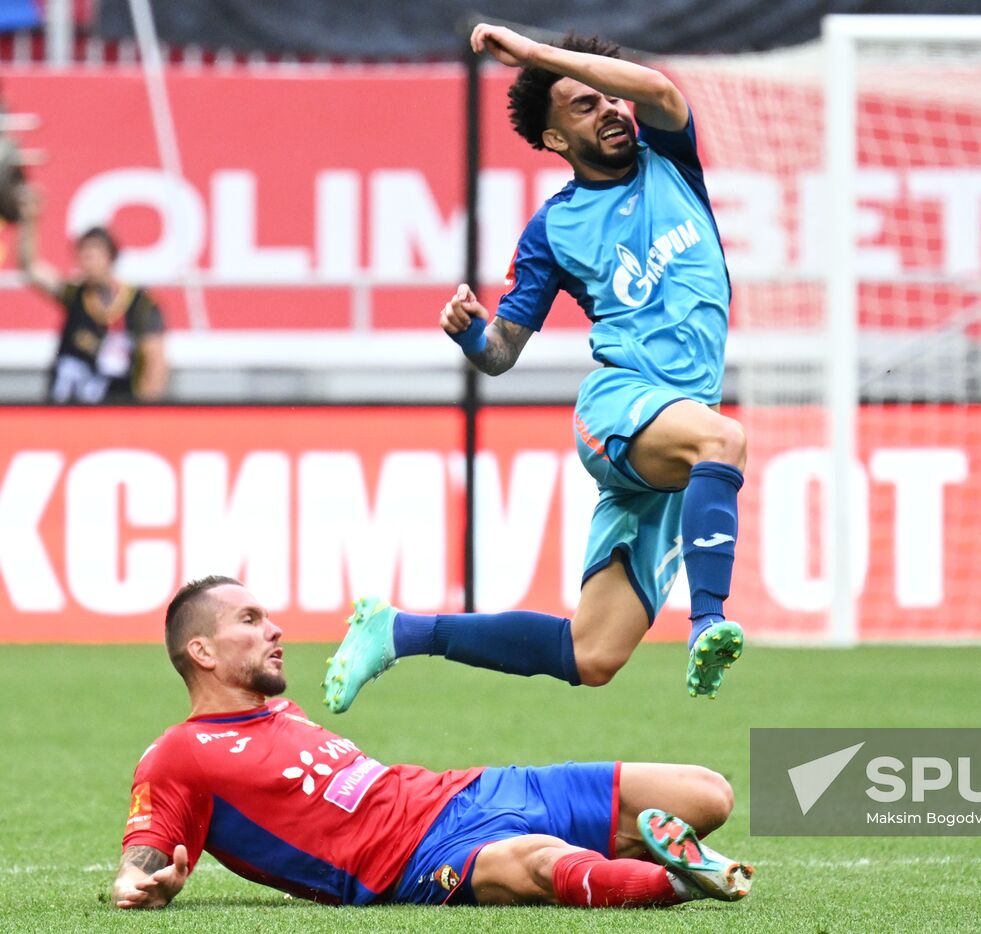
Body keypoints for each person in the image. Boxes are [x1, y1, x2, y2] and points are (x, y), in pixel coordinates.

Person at [323, 26, 746, 706]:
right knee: (723, 442)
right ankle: (709, 621)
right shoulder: (554, 228)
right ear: (553, 140)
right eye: (583, 106)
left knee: (593, 654)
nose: (609, 108)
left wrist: (541, 56)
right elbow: (499, 355)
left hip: (678, 431)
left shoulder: (670, 160)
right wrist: (470, 334)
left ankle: (397, 631)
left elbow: (662, 90)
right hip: (621, 406)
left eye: (609, 96)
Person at [113, 575, 754, 911]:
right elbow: (140, 860)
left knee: (707, 793)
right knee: (538, 862)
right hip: (416, 862)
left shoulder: (281, 713)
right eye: (250, 621)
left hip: (465, 790)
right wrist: (142, 885)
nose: (275, 629)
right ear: (200, 650)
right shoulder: (179, 753)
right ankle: (679, 881)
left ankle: (656, 849)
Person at [17, 187, 167, 404]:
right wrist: (29, 220)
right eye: (83, 255)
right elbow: (31, 268)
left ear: (111, 257)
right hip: (64, 408)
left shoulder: (140, 304)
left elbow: (155, 363)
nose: (88, 262)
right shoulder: (75, 295)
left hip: (113, 411)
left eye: (94, 254)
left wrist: (145, 414)